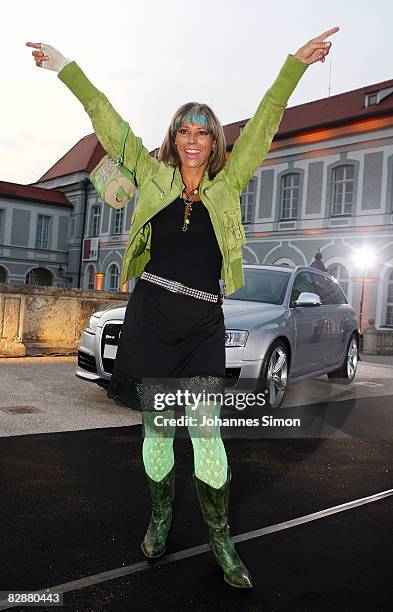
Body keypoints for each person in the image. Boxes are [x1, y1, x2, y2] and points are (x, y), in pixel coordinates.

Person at [26, 27, 338, 589]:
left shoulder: (229, 182)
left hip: (200, 323)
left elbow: (266, 120)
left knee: (208, 435)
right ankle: (162, 515)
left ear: (216, 142)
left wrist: (295, 64)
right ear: (173, 137)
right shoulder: (152, 176)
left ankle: (221, 538)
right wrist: (66, 67)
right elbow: (109, 120)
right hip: (151, 317)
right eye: (184, 130)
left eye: (204, 132)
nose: (193, 140)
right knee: (158, 431)